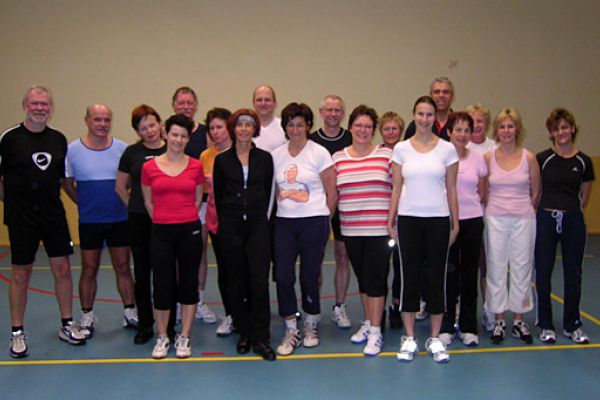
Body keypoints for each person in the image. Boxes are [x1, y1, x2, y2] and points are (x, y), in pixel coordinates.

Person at [1, 85, 86, 358]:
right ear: (25, 106)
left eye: (44, 104)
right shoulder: (9, 138)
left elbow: (61, 179)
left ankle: (67, 324)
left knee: (63, 269)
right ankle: (17, 332)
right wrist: (13, 203)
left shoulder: (58, 139)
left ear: (51, 108)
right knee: (20, 273)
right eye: (35, 103)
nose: (40, 108)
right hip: (22, 218)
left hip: (53, 215)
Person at [387, 96, 459, 363]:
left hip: (438, 220)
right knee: (409, 279)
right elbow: (397, 186)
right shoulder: (401, 149)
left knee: (436, 279)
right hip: (408, 220)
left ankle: (435, 338)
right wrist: (391, 218)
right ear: (414, 115)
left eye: (429, 114)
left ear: (434, 117)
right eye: (420, 113)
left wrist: (455, 222)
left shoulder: (447, 149)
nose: (425, 119)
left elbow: (451, 188)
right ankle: (409, 338)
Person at [63, 104, 137, 339]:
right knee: (89, 268)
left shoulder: (122, 149)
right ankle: (87, 315)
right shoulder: (72, 150)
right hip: (90, 221)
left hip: (119, 219)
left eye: (107, 120)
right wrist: (85, 204)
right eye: (98, 119)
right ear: (87, 120)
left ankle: (130, 311)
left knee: (123, 267)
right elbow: (67, 183)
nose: (103, 124)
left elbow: (129, 183)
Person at [272, 103, 337, 356]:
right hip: (284, 223)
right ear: (285, 127)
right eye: (290, 124)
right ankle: (291, 327)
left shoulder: (319, 153)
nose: (295, 129)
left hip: (314, 221)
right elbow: (274, 191)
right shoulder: (276, 155)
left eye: (300, 124)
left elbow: (332, 191)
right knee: (283, 276)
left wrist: (325, 218)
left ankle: (310, 322)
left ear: (308, 126)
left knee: (309, 275)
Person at [213, 109, 276, 361]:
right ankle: (244, 332)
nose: (244, 129)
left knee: (259, 282)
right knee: (237, 281)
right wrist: (230, 222)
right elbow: (219, 195)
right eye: (240, 125)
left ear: (254, 129)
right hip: (231, 227)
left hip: (258, 227)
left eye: (249, 125)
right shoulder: (222, 160)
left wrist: (262, 222)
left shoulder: (265, 158)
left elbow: (269, 193)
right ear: (233, 128)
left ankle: (261, 336)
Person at [141, 114, 205, 359]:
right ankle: (163, 335)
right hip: (161, 232)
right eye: (174, 134)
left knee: (188, 283)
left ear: (188, 139)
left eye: (183, 136)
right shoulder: (149, 167)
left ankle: (185, 336)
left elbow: (198, 198)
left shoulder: (196, 166)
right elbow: (148, 201)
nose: (178, 140)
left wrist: (184, 217)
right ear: (166, 134)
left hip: (189, 231)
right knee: (162, 284)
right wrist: (162, 219)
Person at [334, 105, 393, 356]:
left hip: (379, 229)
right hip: (351, 230)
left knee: (376, 280)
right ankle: (369, 323)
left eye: (368, 126)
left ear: (374, 130)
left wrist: (394, 221)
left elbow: (399, 189)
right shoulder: (338, 158)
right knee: (364, 280)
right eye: (358, 125)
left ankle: (377, 332)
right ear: (350, 128)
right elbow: (332, 193)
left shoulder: (386, 155)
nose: (363, 130)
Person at [535, 108, 594, 344]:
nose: (562, 132)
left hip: (573, 221)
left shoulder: (584, 161)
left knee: (573, 273)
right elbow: (536, 190)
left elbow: (584, 195)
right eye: (557, 129)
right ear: (551, 132)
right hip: (546, 220)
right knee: (543, 272)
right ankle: (546, 324)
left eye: (565, 127)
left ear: (572, 129)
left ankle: (572, 324)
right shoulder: (542, 159)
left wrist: (570, 213)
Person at [484, 108, 540, 345]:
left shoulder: (529, 158)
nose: (506, 131)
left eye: (510, 126)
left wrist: (522, 210)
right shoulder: (488, 157)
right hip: (495, 218)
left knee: (522, 267)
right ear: (496, 131)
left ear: (517, 129)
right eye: (502, 127)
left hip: (523, 219)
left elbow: (536, 192)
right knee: (496, 267)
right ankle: (499, 320)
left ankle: (518, 320)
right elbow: (484, 191)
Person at [115, 104, 167, 344]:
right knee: (143, 273)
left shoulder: (172, 149)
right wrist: (135, 207)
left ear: (160, 124)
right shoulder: (131, 153)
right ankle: (145, 325)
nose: (150, 131)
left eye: (152, 125)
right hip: (139, 220)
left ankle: (167, 325)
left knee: (165, 273)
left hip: (168, 220)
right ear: (137, 131)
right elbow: (120, 187)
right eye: (143, 128)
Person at [438, 112, 487, 347]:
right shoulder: (440, 157)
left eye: (467, 130)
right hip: (446, 221)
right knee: (448, 274)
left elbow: (482, 191)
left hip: (472, 221)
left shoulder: (478, 159)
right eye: (458, 129)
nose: (462, 134)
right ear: (449, 132)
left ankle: (468, 326)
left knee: (469, 274)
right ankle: (446, 325)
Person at [171, 86, 216, 324]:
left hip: (201, 203)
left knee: (199, 253)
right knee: (177, 255)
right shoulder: (167, 131)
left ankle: (198, 300)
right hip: (174, 203)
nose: (186, 107)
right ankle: (180, 301)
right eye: (181, 103)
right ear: (174, 105)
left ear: (196, 105)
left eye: (190, 103)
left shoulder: (206, 133)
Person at [310, 95, 353, 328]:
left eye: (338, 110)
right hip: (318, 208)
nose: (333, 114)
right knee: (315, 260)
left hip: (345, 206)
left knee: (342, 257)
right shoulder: (312, 141)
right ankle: (313, 309)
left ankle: (339, 306)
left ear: (342, 113)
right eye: (329, 110)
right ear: (321, 112)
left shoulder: (350, 138)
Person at [199, 107, 235, 337]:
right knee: (225, 269)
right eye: (211, 128)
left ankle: (246, 313)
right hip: (216, 221)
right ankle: (230, 314)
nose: (215, 132)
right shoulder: (206, 156)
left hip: (240, 221)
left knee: (242, 268)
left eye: (219, 127)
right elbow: (204, 190)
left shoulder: (243, 151)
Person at [465, 103, 496, 332]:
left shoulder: (495, 148)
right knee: (463, 267)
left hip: (490, 216)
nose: (476, 125)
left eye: (480, 121)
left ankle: (489, 309)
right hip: (465, 216)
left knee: (488, 265)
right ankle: (459, 310)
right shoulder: (458, 147)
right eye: (472, 121)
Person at [377, 111, 405, 329]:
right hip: (381, 217)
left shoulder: (408, 151)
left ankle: (397, 305)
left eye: (394, 128)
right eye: (387, 129)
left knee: (401, 265)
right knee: (380, 267)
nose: (391, 132)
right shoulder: (376, 154)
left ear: (401, 130)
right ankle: (379, 309)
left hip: (404, 216)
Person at [252, 85, 287, 151]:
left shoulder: (284, 127)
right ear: (253, 103)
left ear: (275, 103)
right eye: (259, 100)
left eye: (267, 100)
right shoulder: (246, 129)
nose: (263, 103)